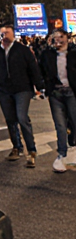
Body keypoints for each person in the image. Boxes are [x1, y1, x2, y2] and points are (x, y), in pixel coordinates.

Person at [0, 23, 44, 168]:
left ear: (13, 34)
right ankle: (16, 147)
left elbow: (33, 68)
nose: (5, 35)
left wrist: (39, 86)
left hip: (22, 88)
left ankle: (31, 150)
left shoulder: (23, 50)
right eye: (2, 33)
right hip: (4, 89)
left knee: (22, 118)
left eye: (8, 32)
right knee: (10, 119)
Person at [41, 30, 76, 172]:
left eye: (61, 37)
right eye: (55, 38)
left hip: (72, 92)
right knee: (60, 125)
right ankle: (62, 154)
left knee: (74, 121)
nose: (58, 40)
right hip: (55, 93)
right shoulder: (47, 55)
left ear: (67, 38)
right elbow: (41, 70)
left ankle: (73, 146)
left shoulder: (74, 54)